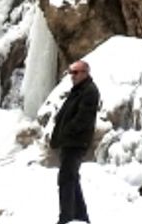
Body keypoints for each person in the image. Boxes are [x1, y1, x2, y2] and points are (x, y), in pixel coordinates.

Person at [49, 59, 100, 224]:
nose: (73, 76)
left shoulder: (89, 91)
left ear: (85, 73)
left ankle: (66, 217)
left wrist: (66, 132)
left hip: (76, 142)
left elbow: (83, 119)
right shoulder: (78, 90)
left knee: (66, 179)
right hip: (70, 142)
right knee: (71, 178)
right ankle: (80, 216)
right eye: (71, 72)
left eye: (76, 72)